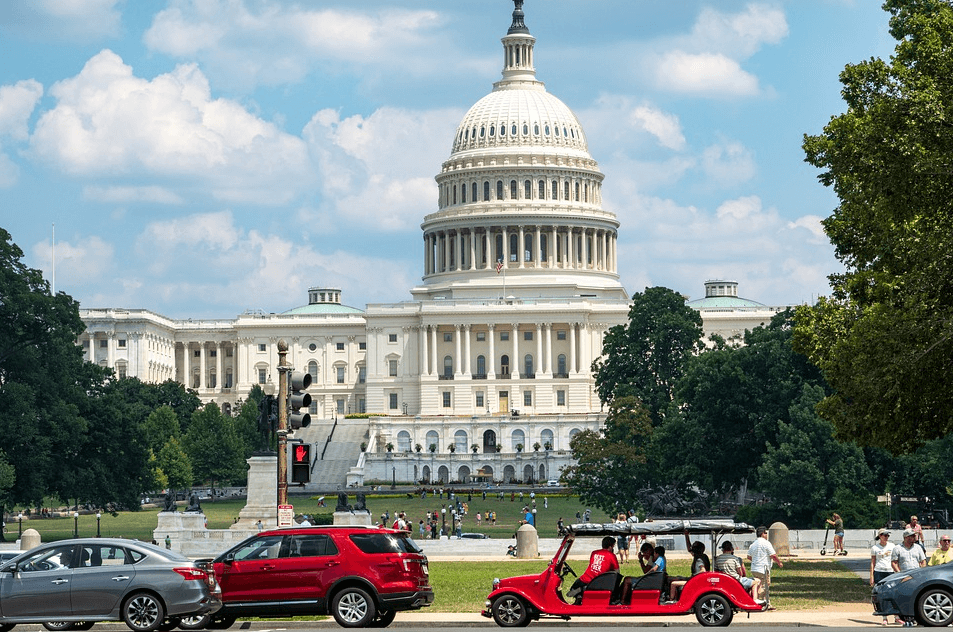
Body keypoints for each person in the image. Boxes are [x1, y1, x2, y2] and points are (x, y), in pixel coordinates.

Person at [566, 536, 620, 603]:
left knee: (574, 587)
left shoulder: (594, 552)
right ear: (611, 546)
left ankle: (579, 596)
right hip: (596, 581)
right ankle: (581, 591)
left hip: (584, 579)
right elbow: (617, 572)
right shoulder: (612, 556)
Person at [893, 528, 927, 627]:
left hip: (917, 576)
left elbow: (923, 561)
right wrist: (899, 574)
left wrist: (922, 571)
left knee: (917, 596)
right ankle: (906, 617)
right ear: (906, 537)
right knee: (906, 597)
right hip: (904, 577)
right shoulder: (898, 548)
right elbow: (894, 563)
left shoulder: (918, 547)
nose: (914, 537)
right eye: (912, 536)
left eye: (914, 535)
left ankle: (918, 617)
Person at [870, 529, 900, 625]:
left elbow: (896, 560)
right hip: (879, 571)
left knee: (893, 593)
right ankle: (884, 617)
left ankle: (896, 616)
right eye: (884, 535)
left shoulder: (892, 546)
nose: (886, 537)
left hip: (890, 571)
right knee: (881, 594)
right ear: (880, 536)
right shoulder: (875, 548)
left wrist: (898, 571)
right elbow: (872, 563)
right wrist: (871, 576)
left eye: (887, 535)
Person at [669, 532, 710, 601]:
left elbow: (703, 570)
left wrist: (694, 579)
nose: (691, 549)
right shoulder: (702, 556)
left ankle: (671, 600)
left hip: (695, 582)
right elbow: (689, 548)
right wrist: (686, 536)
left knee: (673, 584)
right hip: (694, 579)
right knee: (676, 578)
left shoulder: (699, 559)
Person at [747, 526, 783, 606]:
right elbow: (773, 555)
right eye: (766, 533)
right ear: (763, 534)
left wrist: (756, 560)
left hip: (754, 569)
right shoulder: (766, 543)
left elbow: (749, 556)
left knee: (757, 584)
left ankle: (761, 601)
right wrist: (779, 562)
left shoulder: (753, 544)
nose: (766, 535)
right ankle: (761, 602)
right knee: (765, 586)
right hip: (763, 569)